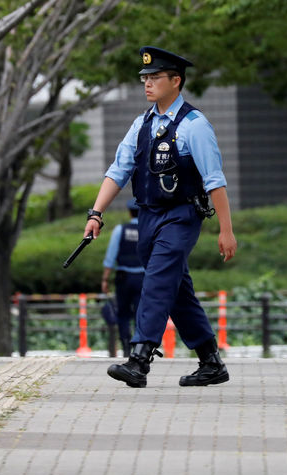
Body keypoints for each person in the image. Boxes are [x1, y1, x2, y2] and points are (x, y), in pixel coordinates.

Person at [82, 46, 237, 389]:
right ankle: (211, 361)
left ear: (176, 81)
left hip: (182, 216)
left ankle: (139, 359)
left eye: (155, 78)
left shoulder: (195, 126)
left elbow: (215, 181)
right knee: (176, 289)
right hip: (148, 217)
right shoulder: (142, 123)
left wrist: (226, 231)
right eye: (145, 78)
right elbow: (118, 170)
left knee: (156, 280)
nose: (147, 84)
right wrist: (96, 213)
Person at [101, 198, 145, 357]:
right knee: (141, 313)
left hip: (124, 278)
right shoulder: (148, 230)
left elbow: (110, 257)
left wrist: (105, 279)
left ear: (129, 212)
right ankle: (139, 349)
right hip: (143, 278)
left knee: (123, 314)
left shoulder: (121, 230)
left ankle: (126, 346)